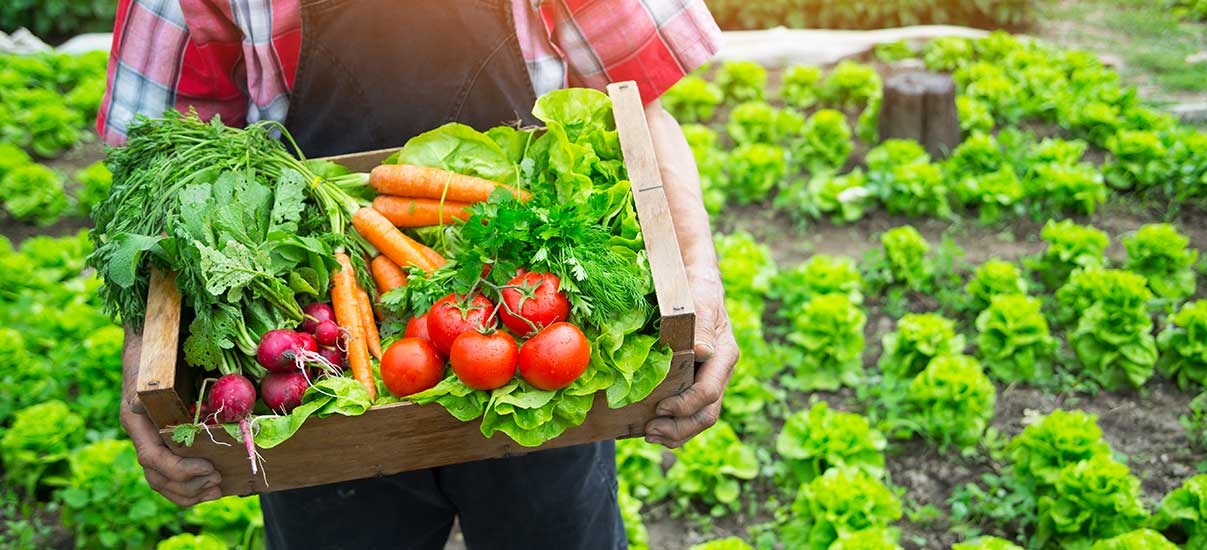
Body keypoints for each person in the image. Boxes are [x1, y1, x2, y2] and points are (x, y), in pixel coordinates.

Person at [102, 1, 739, 548]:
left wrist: (701, 285)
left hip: (536, 356)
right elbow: (161, 171)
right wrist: (147, 358)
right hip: (322, 392)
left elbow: (640, 102)